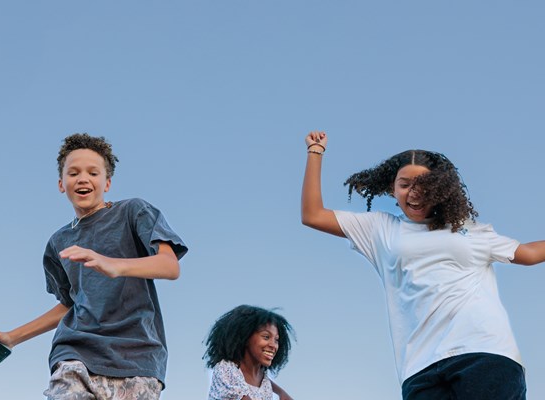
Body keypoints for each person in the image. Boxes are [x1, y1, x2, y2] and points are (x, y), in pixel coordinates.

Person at [301, 131, 545, 400]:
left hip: (483, 351)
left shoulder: (470, 230)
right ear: (392, 189)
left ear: (440, 188)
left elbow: (529, 253)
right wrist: (315, 152)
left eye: (424, 185)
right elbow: (313, 215)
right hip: (420, 368)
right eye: (405, 185)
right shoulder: (381, 229)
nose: (414, 192)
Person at [0, 133, 188, 400]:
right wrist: (13, 337)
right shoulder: (58, 242)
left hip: (136, 357)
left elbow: (169, 266)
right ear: (62, 184)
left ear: (107, 182)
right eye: (73, 173)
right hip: (75, 352)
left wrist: (114, 265)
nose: (83, 179)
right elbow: (69, 304)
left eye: (93, 173)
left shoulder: (133, 211)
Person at [204, 305, 295, 400]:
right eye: (266, 337)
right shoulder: (225, 369)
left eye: (276, 340)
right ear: (246, 337)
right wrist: (280, 392)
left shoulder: (263, 379)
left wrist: (280, 392)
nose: (273, 345)